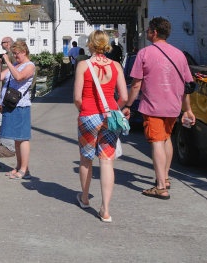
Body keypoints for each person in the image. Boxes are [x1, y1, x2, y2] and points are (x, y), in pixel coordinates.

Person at [125, 17, 196, 199]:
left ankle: (161, 187)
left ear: (154, 32)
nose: (147, 32)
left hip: (153, 106)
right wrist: (187, 109)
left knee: (157, 142)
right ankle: (165, 177)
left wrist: (128, 105)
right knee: (166, 140)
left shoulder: (145, 53)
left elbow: (136, 85)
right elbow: (187, 85)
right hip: (173, 106)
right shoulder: (179, 54)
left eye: (148, 30)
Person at [74, 30, 128, 222]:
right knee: (106, 161)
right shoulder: (116, 66)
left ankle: (85, 197)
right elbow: (124, 97)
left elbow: (77, 98)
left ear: (90, 44)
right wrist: (114, 109)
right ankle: (105, 209)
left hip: (88, 116)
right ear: (107, 44)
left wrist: (86, 111)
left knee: (86, 159)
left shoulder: (83, 65)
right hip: (110, 116)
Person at [0, 39, 36, 179]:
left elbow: (19, 77)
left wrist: (8, 62)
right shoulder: (15, 64)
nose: (15, 56)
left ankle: (25, 169)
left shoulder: (29, 65)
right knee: (17, 139)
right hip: (11, 105)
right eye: (13, 54)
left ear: (24, 52)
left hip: (21, 106)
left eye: (16, 53)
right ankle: (19, 166)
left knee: (23, 138)